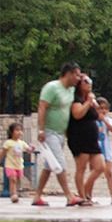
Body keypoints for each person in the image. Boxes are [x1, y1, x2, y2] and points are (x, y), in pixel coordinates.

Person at [32, 63, 84, 207]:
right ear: (68, 73)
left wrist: (84, 79)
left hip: (61, 133)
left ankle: (37, 196)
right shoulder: (52, 87)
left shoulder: (71, 90)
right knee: (60, 164)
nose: (78, 78)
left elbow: (83, 89)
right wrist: (41, 130)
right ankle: (69, 196)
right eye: (77, 75)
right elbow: (42, 107)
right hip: (49, 132)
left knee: (49, 166)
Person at [66, 75, 104, 206]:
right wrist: (88, 102)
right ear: (79, 84)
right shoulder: (76, 99)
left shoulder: (89, 98)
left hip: (92, 139)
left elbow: (98, 115)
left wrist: (93, 103)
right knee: (81, 168)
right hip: (79, 137)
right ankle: (82, 197)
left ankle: (86, 191)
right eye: (86, 82)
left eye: (90, 81)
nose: (89, 84)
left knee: (100, 167)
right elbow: (77, 114)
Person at [94, 97, 112, 205]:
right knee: (94, 173)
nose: (103, 111)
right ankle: (88, 195)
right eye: (100, 108)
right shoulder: (93, 121)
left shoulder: (108, 120)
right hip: (96, 149)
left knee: (109, 173)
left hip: (106, 149)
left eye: (105, 108)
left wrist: (104, 120)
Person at [2, 123, 32, 203]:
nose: (19, 132)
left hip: (19, 165)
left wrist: (31, 149)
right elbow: (3, 153)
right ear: (11, 132)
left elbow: (28, 150)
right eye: (17, 130)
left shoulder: (22, 143)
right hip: (10, 165)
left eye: (21, 130)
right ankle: (13, 195)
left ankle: (16, 192)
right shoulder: (8, 143)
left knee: (18, 180)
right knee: (13, 179)